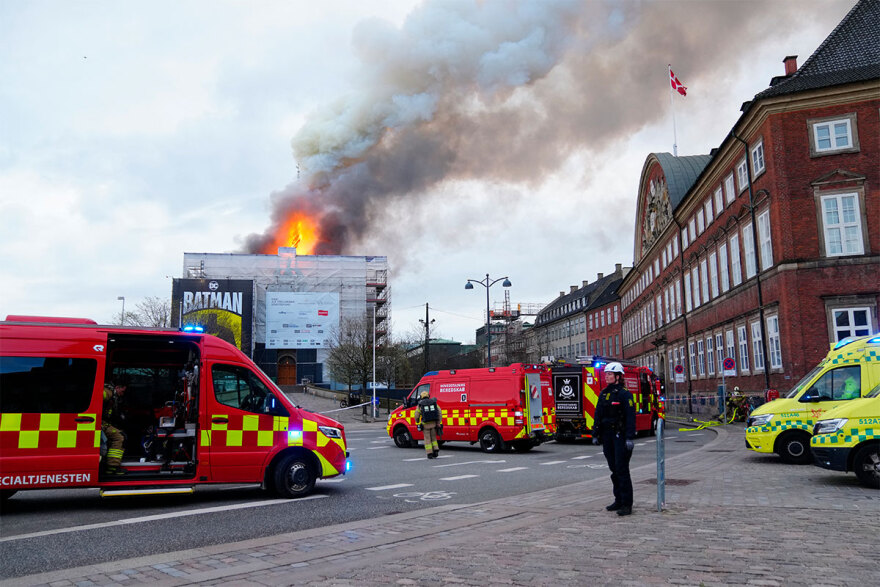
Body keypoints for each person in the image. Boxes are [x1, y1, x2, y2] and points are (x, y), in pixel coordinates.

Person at [592, 362, 636, 516]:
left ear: (618, 376)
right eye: (606, 374)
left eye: (610, 374)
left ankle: (626, 504)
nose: (606, 376)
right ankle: (618, 499)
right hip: (607, 436)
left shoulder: (624, 394)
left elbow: (630, 417)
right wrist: (595, 434)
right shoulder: (604, 393)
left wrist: (629, 437)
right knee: (614, 469)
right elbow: (598, 414)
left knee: (621, 469)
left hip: (620, 436)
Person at [101, 382, 127, 475]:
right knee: (119, 437)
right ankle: (113, 466)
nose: (122, 394)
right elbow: (97, 396)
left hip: (103, 423)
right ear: (117, 387)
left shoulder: (113, 395)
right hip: (100, 424)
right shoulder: (108, 392)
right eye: (122, 391)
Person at [416, 390, 443, 459]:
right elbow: (439, 412)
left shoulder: (420, 404)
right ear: (428, 396)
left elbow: (416, 415)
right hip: (433, 424)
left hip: (425, 425)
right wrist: (438, 422)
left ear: (421, 397)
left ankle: (429, 453)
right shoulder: (433, 402)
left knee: (427, 439)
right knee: (434, 438)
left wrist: (417, 421)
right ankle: (436, 449)